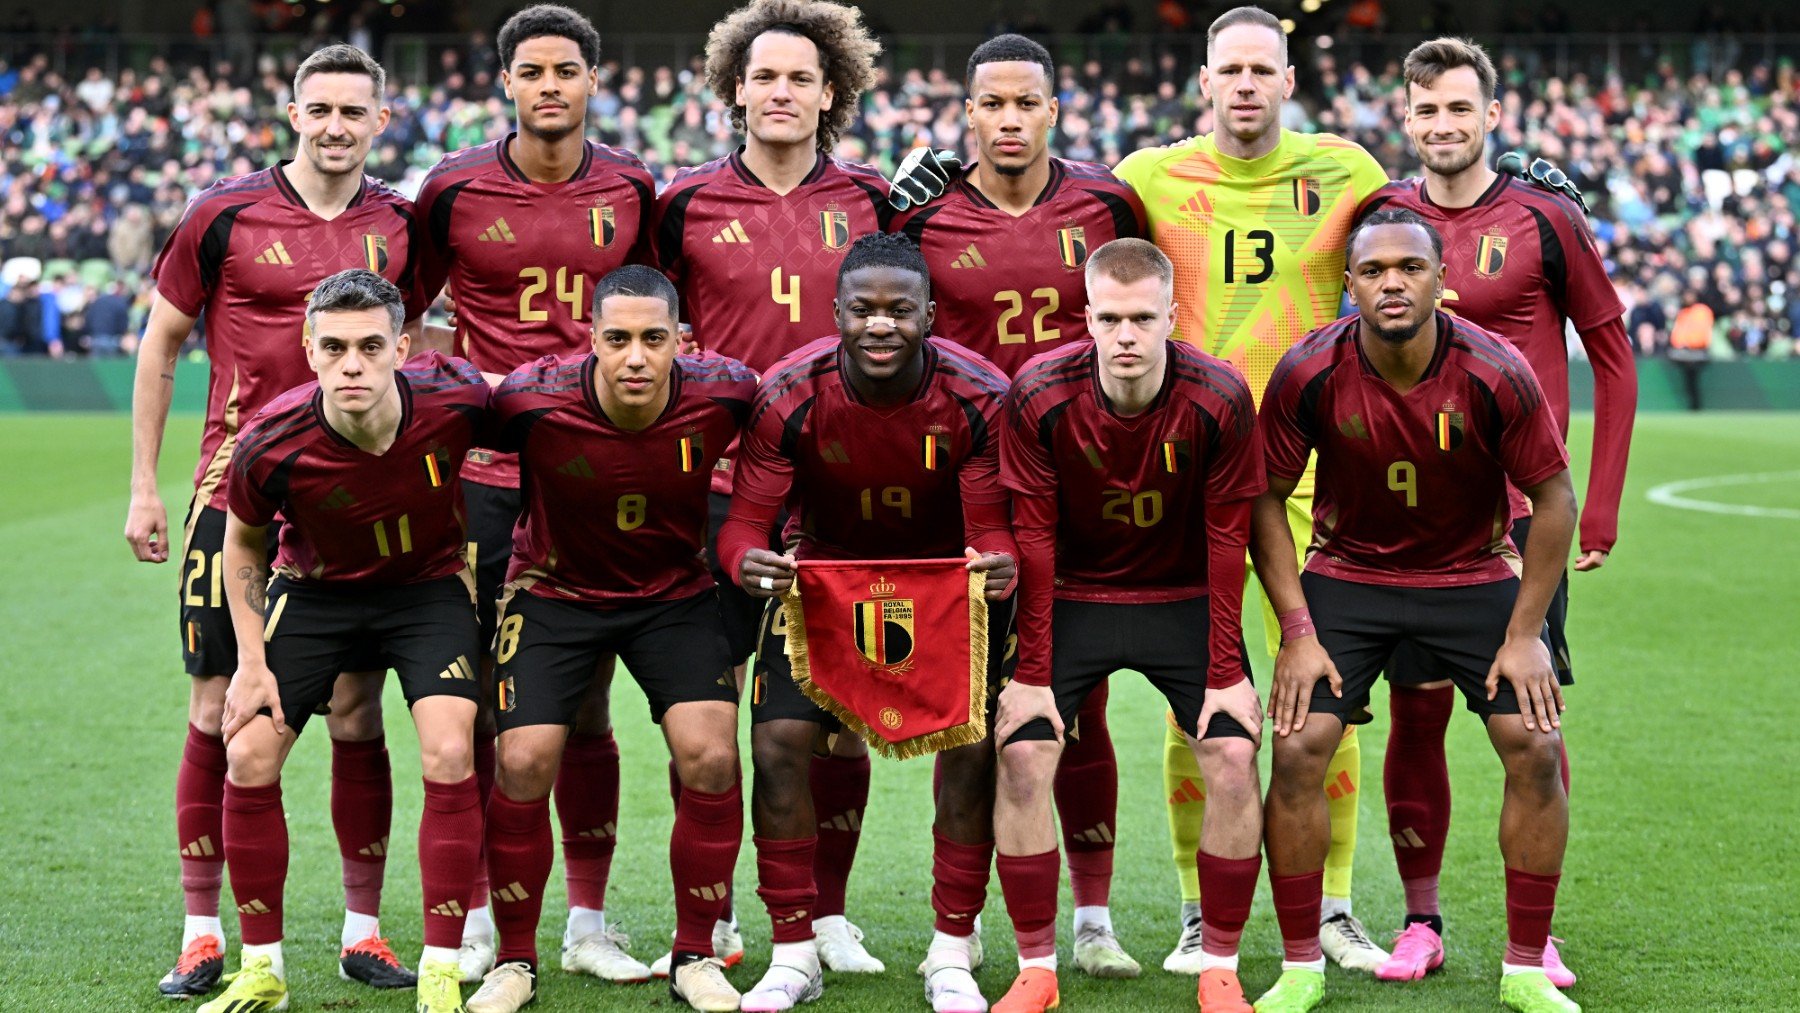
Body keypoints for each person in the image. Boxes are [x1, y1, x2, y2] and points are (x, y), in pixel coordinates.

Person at [122, 43, 424, 999]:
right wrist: (144, 484)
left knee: (354, 708)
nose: (334, 125)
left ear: (382, 120)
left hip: (355, 504)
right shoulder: (223, 212)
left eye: (353, 110)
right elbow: (162, 342)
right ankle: (202, 930)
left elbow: (429, 349)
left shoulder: (403, 225)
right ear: (291, 113)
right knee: (219, 703)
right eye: (318, 108)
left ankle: (364, 929)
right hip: (232, 498)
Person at [1111, 5, 1389, 973]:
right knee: (1198, 702)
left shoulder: (1347, 172)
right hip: (1192, 472)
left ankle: (1337, 907)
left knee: (1329, 696)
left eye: (1260, 69)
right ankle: (1198, 909)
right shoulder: (1145, 177)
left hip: (1321, 470)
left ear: (1287, 81)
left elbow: (1422, 241)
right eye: (1227, 69)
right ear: (1202, 83)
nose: (1243, 84)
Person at [1358, 36, 1638, 987]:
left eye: (1459, 109)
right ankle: (1420, 920)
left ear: (1492, 115)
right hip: (1412, 517)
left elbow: (1613, 352)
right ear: (1406, 119)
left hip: (1522, 519)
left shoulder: (1545, 215)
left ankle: (1536, 931)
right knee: (1416, 716)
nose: (1443, 126)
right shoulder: (1381, 221)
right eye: (1426, 110)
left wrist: (1596, 505)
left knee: (1530, 727)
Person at [1251, 209, 1579, 1013]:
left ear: (1442, 280)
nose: (1392, 281)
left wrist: (1527, 633)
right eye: (1373, 270)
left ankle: (1527, 965)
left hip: (1470, 577)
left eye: (1410, 267)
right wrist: (1297, 631)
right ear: (1350, 284)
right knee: (1297, 750)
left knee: (1534, 746)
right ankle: (1300, 967)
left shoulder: (1496, 369)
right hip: (1350, 578)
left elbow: (1554, 495)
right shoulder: (1308, 369)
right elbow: (1260, 499)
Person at [892, 32, 1149, 979]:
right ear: (967, 113)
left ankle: (1092, 918)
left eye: (1024, 103)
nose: (1007, 119)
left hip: (1082, 480)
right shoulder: (922, 210)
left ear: (1053, 110)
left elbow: (1143, 317)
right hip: (957, 487)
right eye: (989, 104)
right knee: (964, 715)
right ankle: (947, 932)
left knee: (1081, 706)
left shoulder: (1108, 202)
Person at [411, 4, 657, 983]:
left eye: (567, 70)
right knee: (474, 707)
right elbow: (405, 313)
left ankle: (588, 920)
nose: (549, 85)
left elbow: (661, 318)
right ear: (505, 83)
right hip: (480, 480)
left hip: (593, 477)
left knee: (585, 704)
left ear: (595, 81)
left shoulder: (637, 186)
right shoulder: (452, 188)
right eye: (531, 71)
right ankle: (477, 911)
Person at [718, 233, 1017, 1013]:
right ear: (836, 313)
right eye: (863, 310)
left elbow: (992, 525)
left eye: (899, 310)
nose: (880, 325)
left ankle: (952, 948)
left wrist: (1000, 560)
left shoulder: (979, 393)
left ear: (930, 313)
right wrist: (748, 560)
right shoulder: (789, 392)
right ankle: (792, 952)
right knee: (778, 741)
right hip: (823, 578)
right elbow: (744, 523)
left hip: (941, 586)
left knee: (977, 743)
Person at [651, 0, 889, 974]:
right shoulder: (681, 204)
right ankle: (722, 910)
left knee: (837, 715)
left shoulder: (876, 199)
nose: (782, 92)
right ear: (734, 90)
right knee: (707, 717)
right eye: (765, 76)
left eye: (800, 77)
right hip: (712, 490)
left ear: (829, 90)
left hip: (844, 497)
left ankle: (826, 912)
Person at [464, 266, 755, 1013]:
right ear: (590, 339)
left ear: (681, 343)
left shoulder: (726, 391)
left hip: (674, 594)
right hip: (555, 592)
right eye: (618, 338)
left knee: (713, 754)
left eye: (653, 339)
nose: (635, 357)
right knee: (522, 757)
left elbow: (792, 438)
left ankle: (696, 953)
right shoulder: (530, 398)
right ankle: (517, 961)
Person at [200, 270, 487, 1013]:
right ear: (308, 348)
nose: (351, 364)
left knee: (451, 750)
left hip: (426, 590)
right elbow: (242, 547)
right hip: (316, 591)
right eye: (333, 347)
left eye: (368, 346)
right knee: (249, 752)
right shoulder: (270, 439)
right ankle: (262, 968)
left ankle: (441, 969)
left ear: (403, 344)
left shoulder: (457, 397)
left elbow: (538, 414)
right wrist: (252, 665)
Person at [993, 239, 1265, 1013]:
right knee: (1022, 756)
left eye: (1142, 318)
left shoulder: (1219, 395)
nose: (1125, 337)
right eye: (1109, 318)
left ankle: (1219, 964)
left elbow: (1226, 537)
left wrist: (1226, 670)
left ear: (1171, 317)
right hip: (1073, 596)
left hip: (1180, 597)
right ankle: (1036, 968)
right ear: (1087, 317)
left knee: (1235, 757)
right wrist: (1034, 672)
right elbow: (1034, 537)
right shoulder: (1039, 392)